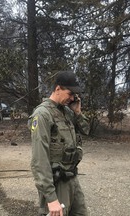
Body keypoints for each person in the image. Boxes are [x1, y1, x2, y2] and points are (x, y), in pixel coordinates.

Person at [29, 71, 90, 216]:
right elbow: (39, 159)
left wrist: (77, 112)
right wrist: (51, 198)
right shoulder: (42, 114)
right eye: (70, 93)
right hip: (57, 182)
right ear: (58, 89)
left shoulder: (67, 112)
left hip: (72, 178)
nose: (72, 98)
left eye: (74, 95)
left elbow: (86, 130)